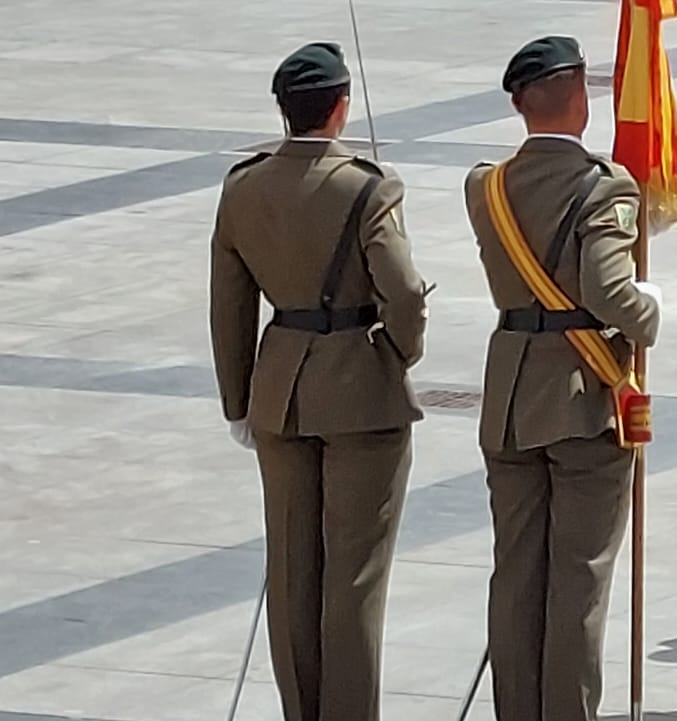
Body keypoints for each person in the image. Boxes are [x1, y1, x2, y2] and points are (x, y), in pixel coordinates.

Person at [209, 41, 431, 721]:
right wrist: (398, 352)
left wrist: (237, 400)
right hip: (359, 390)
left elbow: (230, 304)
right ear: (340, 108)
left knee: (293, 572)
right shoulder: (368, 185)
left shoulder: (244, 186)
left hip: (280, 392)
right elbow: (404, 293)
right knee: (355, 579)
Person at [461, 35, 662, 721]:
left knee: (516, 577)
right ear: (579, 97)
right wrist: (650, 312)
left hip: (511, 395)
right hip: (582, 398)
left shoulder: (484, 184)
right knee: (579, 580)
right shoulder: (604, 185)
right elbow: (610, 291)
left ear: (521, 105)